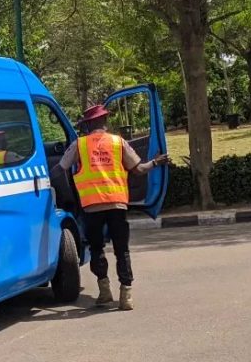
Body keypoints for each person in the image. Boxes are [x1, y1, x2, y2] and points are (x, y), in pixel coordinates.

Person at [58, 104, 170, 310]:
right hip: (118, 204)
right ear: (105, 122)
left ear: (88, 124)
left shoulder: (79, 145)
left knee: (97, 248)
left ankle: (104, 291)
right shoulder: (119, 143)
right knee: (122, 250)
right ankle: (126, 296)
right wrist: (156, 162)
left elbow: (61, 169)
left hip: (92, 207)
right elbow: (138, 169)